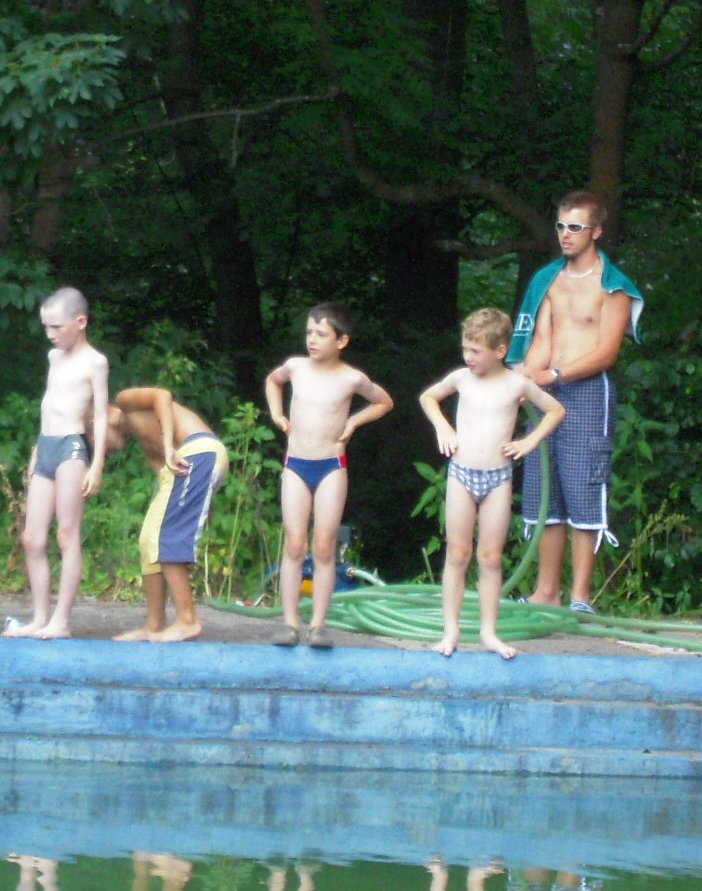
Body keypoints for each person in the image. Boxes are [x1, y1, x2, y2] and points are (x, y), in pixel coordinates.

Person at [509, 190, 644, 614]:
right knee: (543, 489)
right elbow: (540, 339)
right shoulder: (547, 279)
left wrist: (556, 375)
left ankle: (579, 597)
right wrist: (525, 379)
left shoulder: (613, 285)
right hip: (545, 389)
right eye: (561, 226)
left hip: (587, 392)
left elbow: (607, 353)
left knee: (583, 488)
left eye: (575, 227)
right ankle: (545, 592)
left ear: (596, 232)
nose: (565, 234)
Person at [419, 309, 564, 658]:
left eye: (476, 351)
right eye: (465, 349)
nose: (468, 357)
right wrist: (443, 427)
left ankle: (488, 632)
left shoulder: (517, 384)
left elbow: (555, 410)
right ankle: (451, 631)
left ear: (500, 351)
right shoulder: (461, 378)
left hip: (498, 478)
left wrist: (530, 442)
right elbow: (428, 397)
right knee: (457, 553)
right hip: (461, 474)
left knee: (490, 557)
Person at [263, 301, 394, 647]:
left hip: (331, 466)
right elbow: (273, 381)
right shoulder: (296, 367)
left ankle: (318, 624)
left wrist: (354, 421)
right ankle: (289, 622)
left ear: (341, 341)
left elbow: (384, 401)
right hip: (296, 463)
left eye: (321, 334)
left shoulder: (351, 377)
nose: (312, 339)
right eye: (309, 332)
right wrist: (276, 414)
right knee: (294, 544)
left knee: (324, 547)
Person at [4, 287, 108, 640]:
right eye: (46, 327)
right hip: (46, 444)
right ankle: (39, 617)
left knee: (66, 533)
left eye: (57, 327)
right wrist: (37, 448)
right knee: (32, 538)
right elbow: (49, 403)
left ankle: (61, 621)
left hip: (71, 448)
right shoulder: (54, 357)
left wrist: (97, 464)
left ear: (81, 322)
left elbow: (100, 416)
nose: (50, 334)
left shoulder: (95, 362)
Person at [105, 386, 228, 643]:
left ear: (99, 419)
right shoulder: (145, 441)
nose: (102, 453)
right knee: (149, 539)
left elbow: (162, 396)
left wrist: (169, 445)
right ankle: (154, 625)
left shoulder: (124, 401)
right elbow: (166, 482)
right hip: (192, 462)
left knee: (166, 537)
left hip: (198, 450)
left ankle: (187, 620)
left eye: (93, 440)